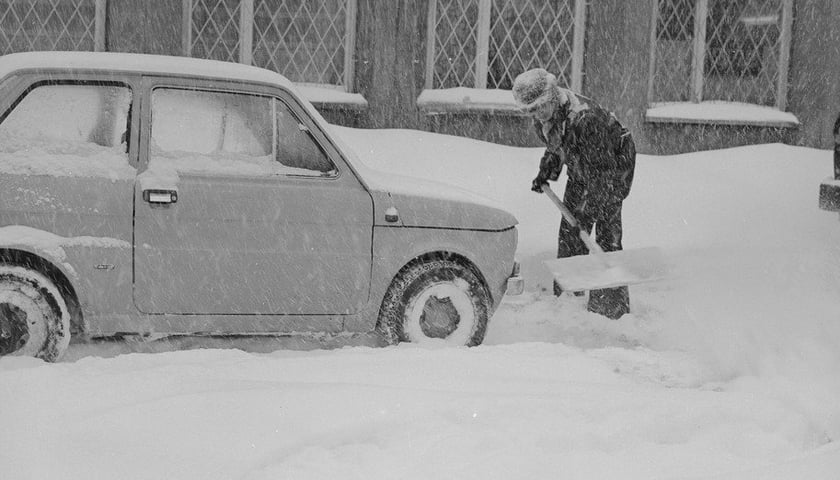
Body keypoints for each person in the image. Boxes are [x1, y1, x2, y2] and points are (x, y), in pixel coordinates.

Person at [512, 68, 636, 320]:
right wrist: (547, 171)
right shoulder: (547, 116)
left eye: (537, 108)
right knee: (570, 231)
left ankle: (610, 309)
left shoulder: (585, 120)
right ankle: (568, 297)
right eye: (529, 111)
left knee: (606, 231)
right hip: (584, 163)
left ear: (552, 96)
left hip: (613, 164)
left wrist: (589, 208)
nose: (534, 115)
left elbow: (601, 172)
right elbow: (559, 146)